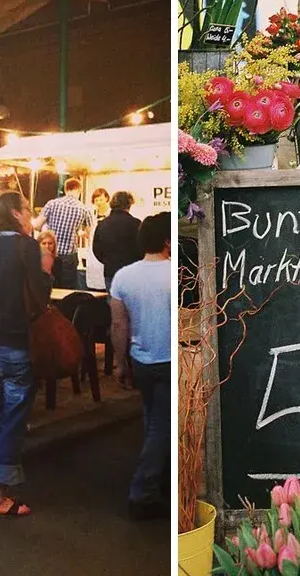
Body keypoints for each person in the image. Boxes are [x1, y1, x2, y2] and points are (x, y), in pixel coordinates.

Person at [0, 192, 53, 517]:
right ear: (17, 214)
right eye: (29, 211)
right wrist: (45, 271)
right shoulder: (25, 247)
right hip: (16, 342)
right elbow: (40, 296)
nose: (31, 217)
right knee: (13, 419)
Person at [109, 212, 172, 520]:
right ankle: (142, 492)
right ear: (166, 240)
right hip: (169, 359)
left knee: (152, 423)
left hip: (142, 359)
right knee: (160, 427)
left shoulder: (123, 276)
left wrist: (120, 363)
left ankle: (159, 482)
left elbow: (118, 325)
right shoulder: (176, 273)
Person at [34, 178, 93, 289]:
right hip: (69, 256)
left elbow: (36, 225)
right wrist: (79, 231)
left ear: (66, 190)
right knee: (67, 290)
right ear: (79, 190)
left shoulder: (52, 204)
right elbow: (91, 234)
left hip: (50, 251)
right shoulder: (84, 209)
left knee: (50, 287)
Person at [93, 191, 143, 292]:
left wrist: (108, 261)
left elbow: (96, 250)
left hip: (110, 270)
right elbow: (143, 248)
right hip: (131, 271)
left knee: (113, 303)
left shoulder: (102, 224)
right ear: (129, 205)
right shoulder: (136, 223)